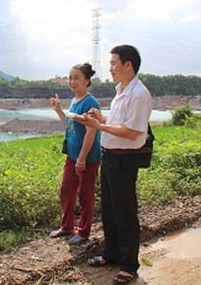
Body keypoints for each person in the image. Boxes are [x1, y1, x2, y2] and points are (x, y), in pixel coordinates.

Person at [75, 45, 152, 284]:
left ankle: (129, 264)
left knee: (125, 212)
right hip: (110, 156)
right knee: (109, 209)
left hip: (124, 159)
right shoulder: (122, 90)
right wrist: (102, 118)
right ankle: (112, 253)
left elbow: (131, 132)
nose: (110, 68)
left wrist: (99, 127)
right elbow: (119, 123)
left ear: (128, 65)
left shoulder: (139, 94)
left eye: (113, 64)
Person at [49, 63, 101, 245]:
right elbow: (70, 125)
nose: (72, 81)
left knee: (86, 194)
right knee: (66, 190)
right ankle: (67, 226)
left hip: (87, 157)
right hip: (72, 155)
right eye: (70, 78)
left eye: (76, 78)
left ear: (87, 81)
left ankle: (84, 231)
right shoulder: (74, 101)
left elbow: (91, 131)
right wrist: (58, 110)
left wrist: (82, 158)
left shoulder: (90, 102)